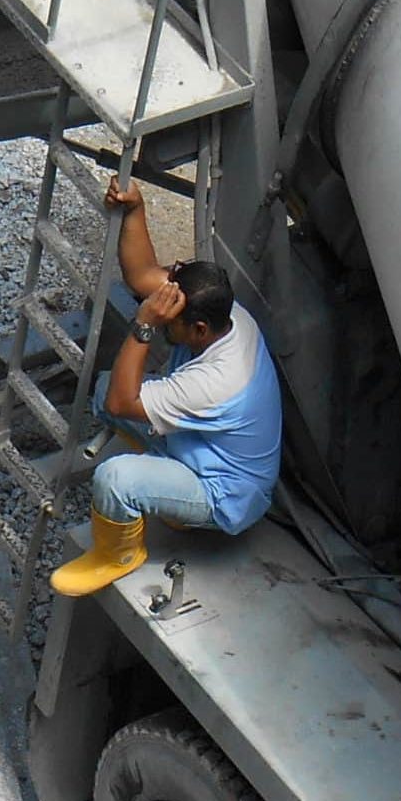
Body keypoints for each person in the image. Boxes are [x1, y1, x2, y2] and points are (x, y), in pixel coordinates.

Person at [50, 183, 282, 596]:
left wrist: (144, 324)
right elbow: (142, 275)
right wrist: (135, 209)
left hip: (223, 490)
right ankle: (160, 464)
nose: (162, 312)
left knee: (115, 478)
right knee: (108, 381)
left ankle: (118, 554)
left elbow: (121, 403)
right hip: (202, 443)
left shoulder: (217, 383)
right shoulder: (221, 311)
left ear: (198, 329)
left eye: (170, 316)